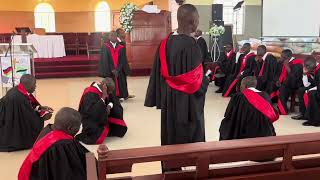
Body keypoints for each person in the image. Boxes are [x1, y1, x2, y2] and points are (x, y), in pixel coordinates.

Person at [145, 3, 209, 150]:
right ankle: (190, 166)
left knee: (170, 132)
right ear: (192, 22)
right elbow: (197, 83)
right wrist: (206, 80)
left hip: (169, 99)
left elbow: (157, 74)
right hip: (187, 104)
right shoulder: (192, 46)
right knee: (189, 137)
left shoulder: (164, 43)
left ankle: (171, 166)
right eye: (198, 19)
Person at [18, 107, 90, 180]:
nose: (79, 129)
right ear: (70, 128)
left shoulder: (48, 130)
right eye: (78, 126)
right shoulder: (62, 145)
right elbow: (70, 173)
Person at [0, 74, 53, 152]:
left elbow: (29, 107)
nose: (35, 87)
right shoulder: (20, 99)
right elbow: (29, 119)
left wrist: (40, 108)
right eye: (34, 84)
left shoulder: (18, 90)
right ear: (27, 85)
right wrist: (43, 118)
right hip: (12, 128)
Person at [219, 76, 278, 140]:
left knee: (225, 125)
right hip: (264, 133)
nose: (240, 87)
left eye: (241, 85)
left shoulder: (238, 97)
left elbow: (229, 115)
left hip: (245, 134)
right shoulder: (266, 96)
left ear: (244, 85)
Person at [76, 78, 127, 145]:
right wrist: (103, 98)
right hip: (90, 120)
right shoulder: (90, 94)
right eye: (109, 91)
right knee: (95, 135)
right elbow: (91, 113)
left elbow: (112, 101)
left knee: (119, 127)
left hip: (101, 115)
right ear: (104, 86)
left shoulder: (104, 90)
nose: (110, 93)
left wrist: (109, 106)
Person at [98, 31, 134, 100]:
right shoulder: (105, 46)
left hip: (119, 70)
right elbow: (105, 59)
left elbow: (123, 59)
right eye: (111, 35)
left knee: (121, 81)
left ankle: (122, 95)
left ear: (116, 36)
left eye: (114, 36)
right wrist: (112, 69)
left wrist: (118, 69)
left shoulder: (121, 46)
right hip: (109, 70)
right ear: (109, 37)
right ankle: (112, 97)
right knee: (111, 82)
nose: (113, 37)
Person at [277, 49, 304, 115]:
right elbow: (282, 74)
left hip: (297, 83)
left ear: (288, 57)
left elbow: (293, 77)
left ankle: (283, 110)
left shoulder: (297, 63)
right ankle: (283, 109)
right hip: (288, 83)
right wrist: (279, 80)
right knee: (280, 88)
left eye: (283, 57)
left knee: (283, 89)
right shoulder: (285, 62)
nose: (281, 58)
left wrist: (286, 65)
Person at [302, 58, 320, 126]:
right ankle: (306, 116)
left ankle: (316, 121)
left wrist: (310, 90)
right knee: (303, 90)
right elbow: (306, 85)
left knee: (312, 95)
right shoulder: (314, 69)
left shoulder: (318, 71)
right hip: (317, 88)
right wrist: (304, 74)